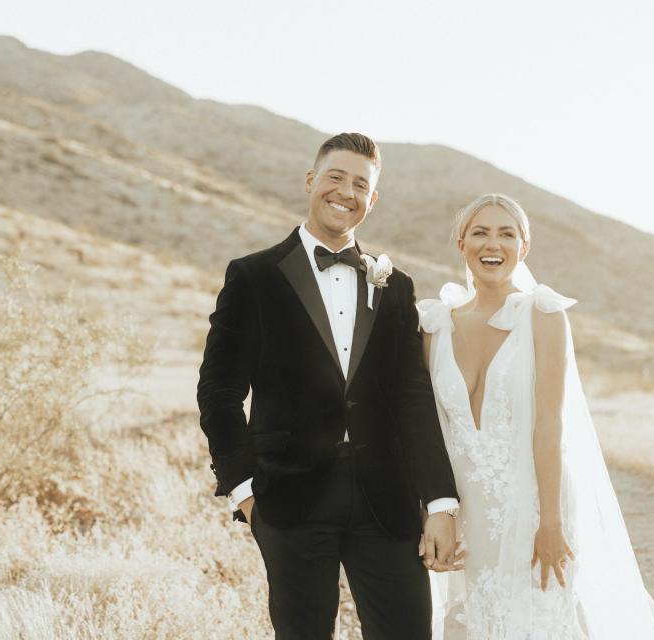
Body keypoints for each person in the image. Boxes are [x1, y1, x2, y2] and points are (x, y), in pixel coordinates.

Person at [197, 132, 460, 639]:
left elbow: (412, 398)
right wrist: (245, 491)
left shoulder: (395, 285)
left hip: (387, 499)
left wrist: (441, 502)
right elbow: (219, 392)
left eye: (361, 184)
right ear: (311, 180)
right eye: (335, 177)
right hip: (286, 499)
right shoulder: (253, 276)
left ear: (373, 199)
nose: (346, 191)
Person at [418, 194, 654, 639]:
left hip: (534, 506)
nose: (493, 244)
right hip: (466, 515)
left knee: (538, 623)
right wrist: (433, 513)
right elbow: (427, 433)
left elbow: (549, 425)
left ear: (524, 248)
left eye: (507, 234)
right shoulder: (434, 326)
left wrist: (551, 523)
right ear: (461, 244)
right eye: (480, 232)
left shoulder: (541, 314)